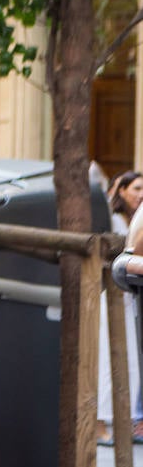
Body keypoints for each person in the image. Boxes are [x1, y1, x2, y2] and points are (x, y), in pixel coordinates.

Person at [99, 170, 143, 445]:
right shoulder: (112, 218)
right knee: (112, 358)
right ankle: (106, 421)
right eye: (136, 188)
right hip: (116, 296)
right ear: (122, 190)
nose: (140, 194)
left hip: (128, 295)